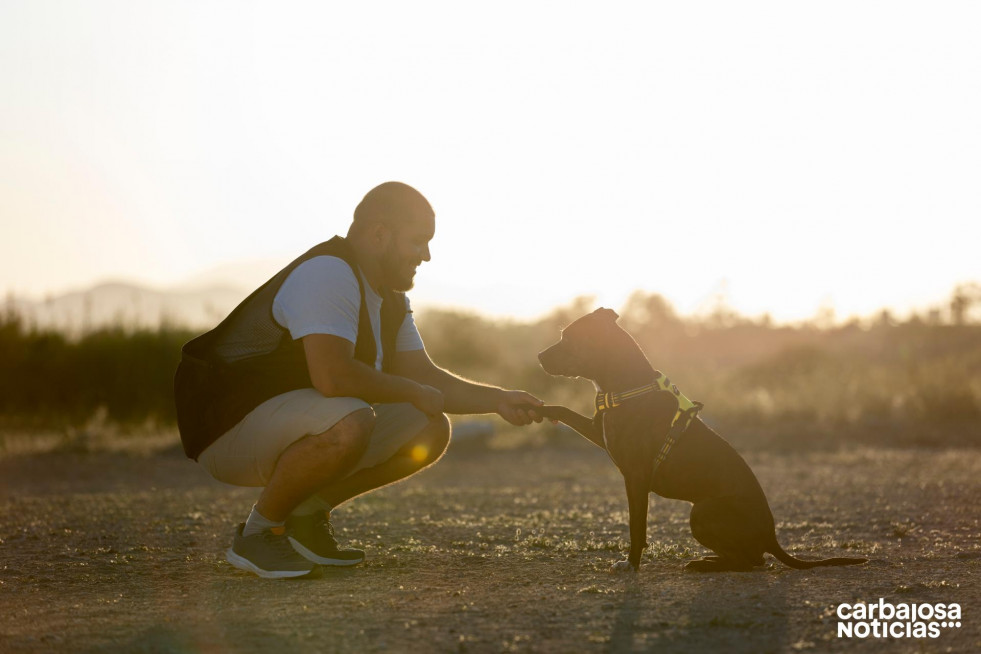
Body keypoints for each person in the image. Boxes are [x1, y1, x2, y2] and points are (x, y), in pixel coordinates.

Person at [174, 182, 544, 579]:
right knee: (353, 419)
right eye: (418, 242)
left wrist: (499, 399)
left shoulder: (389, 297)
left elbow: (425, 378)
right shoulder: (329, 273)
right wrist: (414, 391)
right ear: (379, 234)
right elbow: (333, 377)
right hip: (227, 429)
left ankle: (305, 517)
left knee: (428, 428)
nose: (427, 255)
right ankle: (260, 533)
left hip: (294, 421)